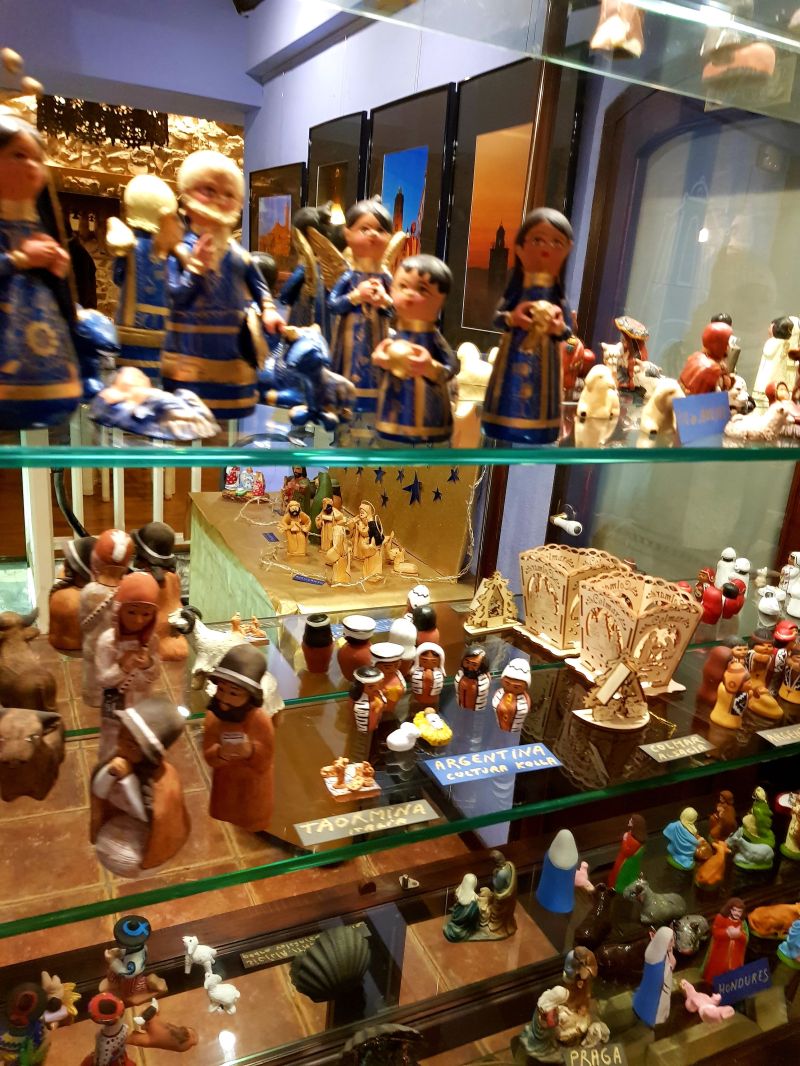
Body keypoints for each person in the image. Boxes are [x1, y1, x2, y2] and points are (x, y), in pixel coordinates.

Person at [161, 150, 284, 422]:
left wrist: (269, 310)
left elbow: (259, 286)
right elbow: (175, 297)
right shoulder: (180, 252)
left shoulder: (239, 256)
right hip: (189, 355)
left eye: (228, 194)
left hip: (233, 357)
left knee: (223, 425)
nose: (219, 200)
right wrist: (195, 269)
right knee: (189, 423)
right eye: (209, 191)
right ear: (188, 197)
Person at [482, 208, 575, 445]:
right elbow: (498, 317)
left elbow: (567, 331)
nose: (546, 247)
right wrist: (514, 318)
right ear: (520, 248)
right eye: (537, 240)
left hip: (545, 365)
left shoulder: (557, 298)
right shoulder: (517, 291)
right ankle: (501, 421)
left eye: (556, 242)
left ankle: (541, 425)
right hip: (513, 356)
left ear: (567, 249)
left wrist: (557, 327)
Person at [90, 697, 189, 878]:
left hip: (145, 834)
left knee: (131, 858)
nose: (120, 746)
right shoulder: (117, 757)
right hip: (118, 819)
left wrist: (129, 781)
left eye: (130, 745)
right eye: (120, 736)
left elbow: (148, 816)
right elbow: (98, 792)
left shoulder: (164, 783)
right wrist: (110, 773)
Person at [372, 254, 458, 444]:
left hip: (431, 418)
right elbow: (377, 361)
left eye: (422, 289)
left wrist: (430, 367)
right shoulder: (394, 337)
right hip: (390, 417)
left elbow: (451, 367)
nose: (409, 294)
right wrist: (380, 359)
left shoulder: (433, 339)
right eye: (403, 286)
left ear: (441, 300)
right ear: (392, 290)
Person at [107, 174, 182, 384]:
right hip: (163, 329)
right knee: (158, 381)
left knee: (130, 382)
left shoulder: (130, 246)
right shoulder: (170, 253)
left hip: (132, 326)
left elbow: (118, 276)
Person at [328, 198, 394, 411]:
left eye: (380, 230)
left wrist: (385, 300)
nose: (373, 234)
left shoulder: (386, 278)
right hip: (348, 341)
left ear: (389, 237)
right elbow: (333, 304)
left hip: (378, 339)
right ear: (348, 234)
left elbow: (397, 310)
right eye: (364, 229)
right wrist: (356, 296)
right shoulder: (349, 277)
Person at [202, 646, 275, 833]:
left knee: (251, 825)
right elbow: (208, 754)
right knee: (223, 824)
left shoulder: (260, 720)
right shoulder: (214, 717)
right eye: (221, 689)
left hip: (253, 789)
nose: (224, 698)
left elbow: (266, 760)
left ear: (250, 696)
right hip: (225, 787)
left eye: (234, 693)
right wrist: (220, 753)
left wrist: (250, 751)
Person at [703, 898, 749, 984]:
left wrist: (739, 935)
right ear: (730, 909)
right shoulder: (721, 918)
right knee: (717, 970)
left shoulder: (742, 923)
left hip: (735, 955)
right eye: (734, 910)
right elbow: (715, 932)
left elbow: (745, 939)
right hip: (720, 952)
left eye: (739, 911)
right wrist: (727, 933)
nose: (737, 913)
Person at [443, 873, 480, 942]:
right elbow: (474, 920)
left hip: (457, 927)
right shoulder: (474, 904)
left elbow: (455, 915)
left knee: (447, 928)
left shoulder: (461, 897)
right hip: (465, 929)